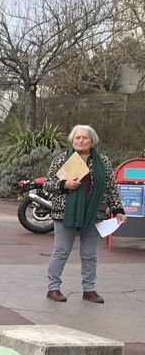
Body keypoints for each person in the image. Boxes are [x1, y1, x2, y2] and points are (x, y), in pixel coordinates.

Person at [42, 124, 125, 303]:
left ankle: (89, 290)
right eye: (77, 138)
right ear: (72, 140)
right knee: (61, 251)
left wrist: (118, 209)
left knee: (89, 254)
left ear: (92, 141)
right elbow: (47, 185)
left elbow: (110, 187)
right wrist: (64, 185)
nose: (80, 141)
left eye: (84, 138)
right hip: (65, 213)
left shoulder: (102, 161)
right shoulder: (62, 159)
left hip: (94, 213)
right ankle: (53, 288)